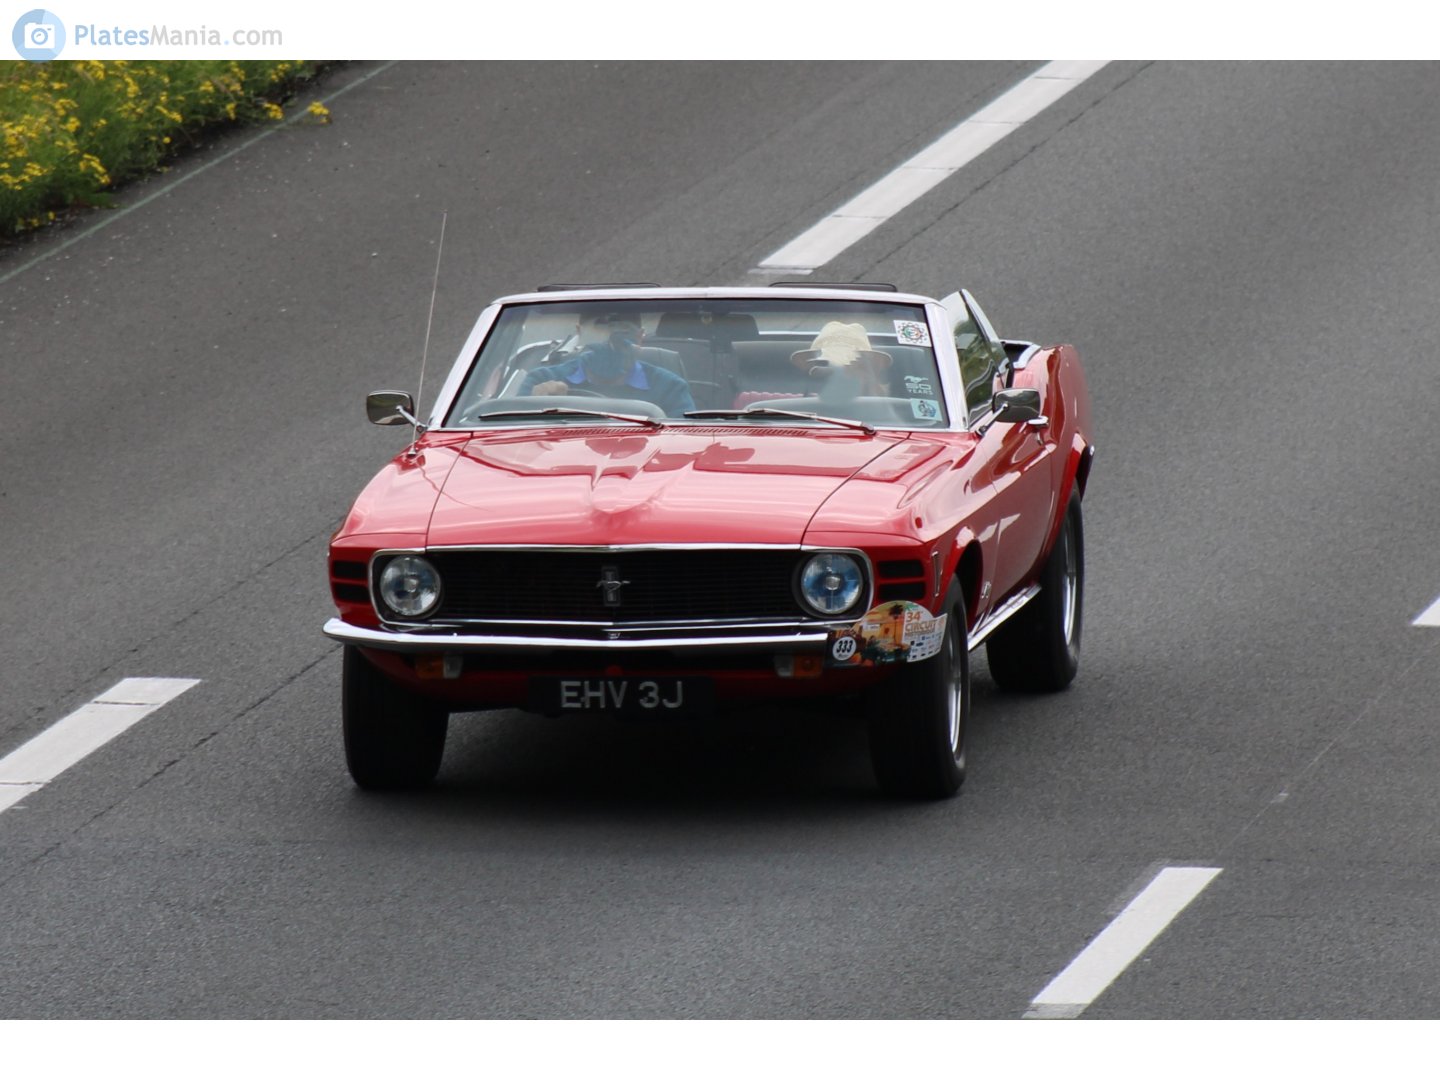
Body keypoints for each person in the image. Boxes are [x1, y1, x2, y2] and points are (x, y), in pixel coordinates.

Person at [519, 312, 695, 416]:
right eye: (600, 328)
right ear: (580, 333)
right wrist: (536, 406)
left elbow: (683, 444)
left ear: (640, 337)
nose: (610, 340)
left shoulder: (670, 388)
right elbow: (517, 445)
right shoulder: (540, 381)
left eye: (623, 330)